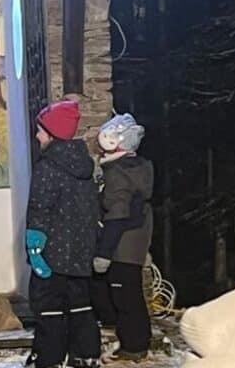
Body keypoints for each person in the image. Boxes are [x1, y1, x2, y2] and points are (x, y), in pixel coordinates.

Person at [25, 100, 101, 368]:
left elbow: (40, 207)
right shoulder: (84, 167)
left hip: (53, 255)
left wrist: (34, 247)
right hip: (79, 254)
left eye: (40, 130)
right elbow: (92, 211)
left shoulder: (48, 167)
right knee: (80, 305)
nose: (37, 135)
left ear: (52, 133)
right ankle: (85, 353)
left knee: (49, 308)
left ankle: (49, 358)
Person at [91, 113, 153, 362]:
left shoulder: (117, 173)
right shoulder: (137, 167)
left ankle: (134, 346)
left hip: (123, 243)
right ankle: (132, 342)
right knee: (128, 293)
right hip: (135, 237)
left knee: (126, 296)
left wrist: (104, 252)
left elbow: (117, 213)